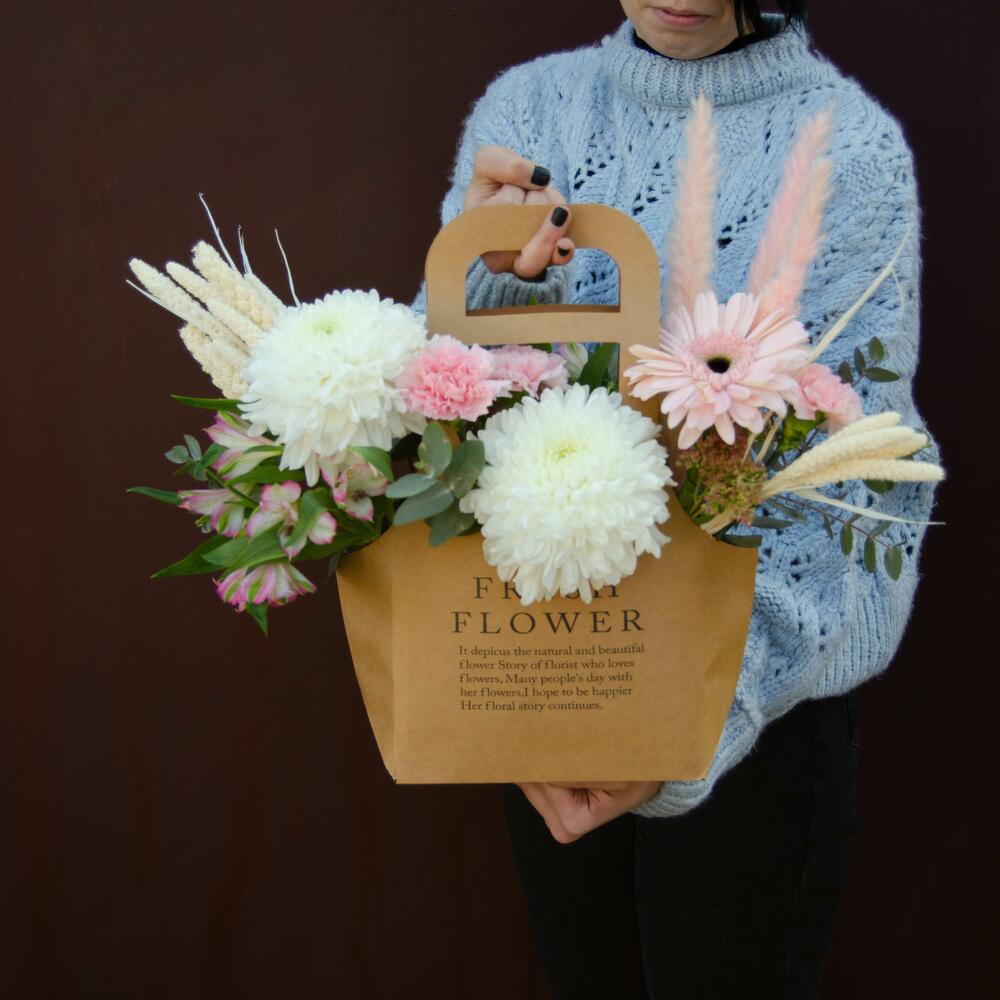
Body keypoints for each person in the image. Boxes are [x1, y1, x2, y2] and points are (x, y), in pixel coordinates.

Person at [411, 2, 937, 996]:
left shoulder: (850, 150)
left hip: (755, 728)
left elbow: (862, 480)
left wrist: (686, 727)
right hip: (545, 690)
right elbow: (434, 411)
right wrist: (490, 287)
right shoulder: (533, 110)